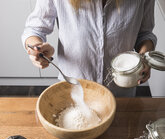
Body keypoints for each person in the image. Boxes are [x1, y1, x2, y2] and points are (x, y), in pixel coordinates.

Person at [22, 0, 157, 97]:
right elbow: (34, 29)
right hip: (74, 88)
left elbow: (144, 34)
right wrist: (37, 48)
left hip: (121, 90)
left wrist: (144, 57)